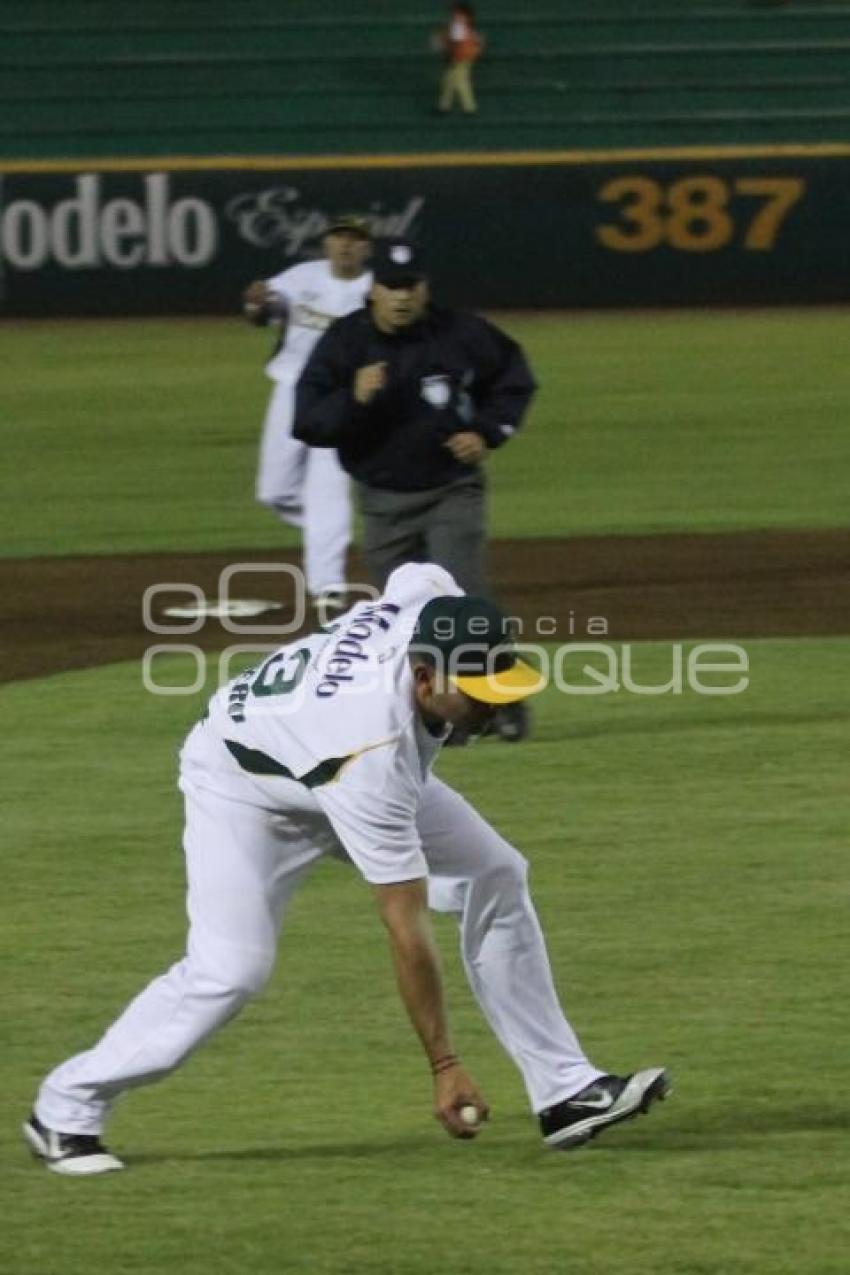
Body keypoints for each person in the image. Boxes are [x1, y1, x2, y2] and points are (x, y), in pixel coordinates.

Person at [22, 563, 670, 1175]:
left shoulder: (426, 604)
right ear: (423, 678)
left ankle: (566, 1091)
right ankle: (65, 1107)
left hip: (311, 753)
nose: (493, 706)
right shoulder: (373, 756)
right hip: (243, 786)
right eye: (477, 693)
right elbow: (403, 925)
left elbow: (416, 572)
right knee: (230, 969)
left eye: (499, 684)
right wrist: (445, 1062)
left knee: (495, 871)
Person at [293, 236, 535, 742]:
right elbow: (308, 422)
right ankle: (444, 716)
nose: (401, 297)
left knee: (463, 599)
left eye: (410, 286)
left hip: (452, 490)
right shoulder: (345, 343)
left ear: (425, 290)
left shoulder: (459, 333)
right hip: (382, 503)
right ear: (373, 288)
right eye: (390, 286)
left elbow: (514, 377)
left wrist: (489, 431)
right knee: (405, 616)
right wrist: (352, 399)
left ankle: (505, 704)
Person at [243, 213, 372, 612]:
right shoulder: (301, 277)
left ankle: (327, 586)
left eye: (353, 238)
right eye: (338, 237)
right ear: (327, 243)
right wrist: (256, 302)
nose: (345, 245)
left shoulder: (375, 288)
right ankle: (326, 532)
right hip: (291, 388)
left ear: (366, 246)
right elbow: (262, 311)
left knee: (328, 489)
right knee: (274, 491)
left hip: (341, 397)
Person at [434, 3, 484, 114]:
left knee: (460, 82)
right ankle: (445, 106)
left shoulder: (460, 27)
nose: (456, 16)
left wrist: (446, 47)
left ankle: (469, 108)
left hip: (460, 57)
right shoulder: (462, 27)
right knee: (449, 81)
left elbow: (456, 42)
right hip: (462, 56)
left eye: (459, 15)